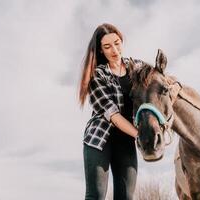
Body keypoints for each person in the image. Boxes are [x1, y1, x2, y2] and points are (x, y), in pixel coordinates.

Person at [78, 23, 142, 200]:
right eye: (107, 46)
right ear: (101, 51)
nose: (114, 49)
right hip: (100, 139)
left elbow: (157, 86)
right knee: (96, 195)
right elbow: (113, 115)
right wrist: (139, 134)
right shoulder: (97, 76)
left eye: (117, 42)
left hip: (125, 142)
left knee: (126, 196)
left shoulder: (137, 68)